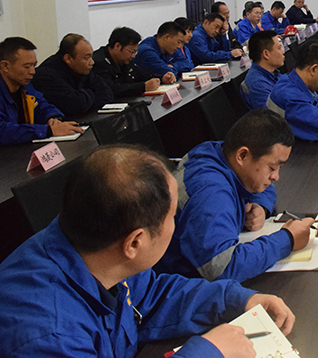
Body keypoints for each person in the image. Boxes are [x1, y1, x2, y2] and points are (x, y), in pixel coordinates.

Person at [0, 145, 295, 357]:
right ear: (134, 243)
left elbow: (151, 295)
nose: (175, 224)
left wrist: (236, 299)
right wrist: (208, 352)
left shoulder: (98, 249)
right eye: (172, 217)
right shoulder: (48, 336)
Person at [156, 110, 314, 282]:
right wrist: (287, 239)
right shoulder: (210, 193)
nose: (276, 177)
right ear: (242, 155)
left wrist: (260, 205)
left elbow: (264, 185)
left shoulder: (222, 153)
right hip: (181, 283)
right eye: (272, 167)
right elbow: (222, 268)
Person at [0, 37, 82, 145]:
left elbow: (41, 105)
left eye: (34, 65)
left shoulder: (25, 85)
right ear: (5, 66)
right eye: (27, 66)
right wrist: (47, 130)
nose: (32, 72)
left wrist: (53, 118)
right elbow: (2, 130)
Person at [32, 34, 114, 117]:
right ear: (68, 58)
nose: (92, 62)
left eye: (91, 56)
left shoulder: (82, 68)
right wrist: (91, 93)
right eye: (87, 58)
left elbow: (107, 93)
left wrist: (84, 98)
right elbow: (76, 105)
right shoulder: (47, 76)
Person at [92, 27, 171, 98]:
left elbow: (140, 74)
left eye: (135, 52)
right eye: (132, 51)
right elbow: (112, 89)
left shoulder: (124, 59)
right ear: (117, 46)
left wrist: (161, 78)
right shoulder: (99, 62)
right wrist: (143, 87)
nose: (133, 56)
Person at [240, 30, 284, 110]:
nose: (283, 52)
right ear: (266, 54)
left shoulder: (273, 73)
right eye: (279, 48)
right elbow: (274, 114)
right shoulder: (258, 85)